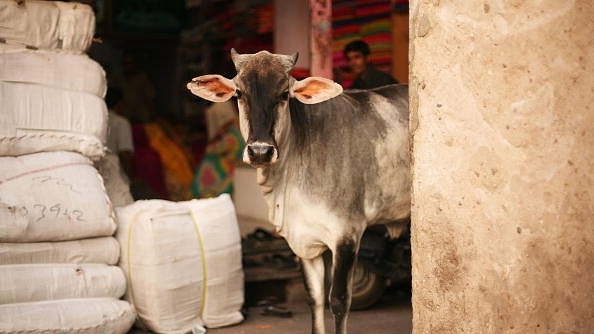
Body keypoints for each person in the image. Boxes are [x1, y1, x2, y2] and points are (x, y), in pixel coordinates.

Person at [96, 86, 135, 206]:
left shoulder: (96, 119)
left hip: (96, 172)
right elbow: (125, 153)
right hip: (115, 174)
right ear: (119, 103)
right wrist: (131, 177)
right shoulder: (121, 123)